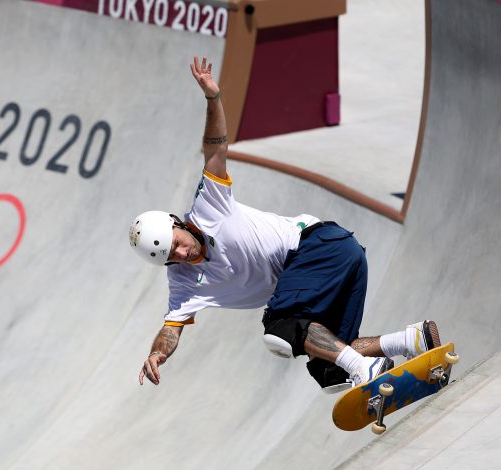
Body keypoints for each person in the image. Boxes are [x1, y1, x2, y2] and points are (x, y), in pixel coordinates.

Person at [131, 57, 441, 392]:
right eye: (171, 257)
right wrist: (157, 354)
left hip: (318, 246)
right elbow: (171, 329)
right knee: (331, 368)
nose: (181, 253)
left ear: (177, 223)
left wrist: (213, 98)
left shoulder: (208, 207)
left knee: (280, 327)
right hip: (336, 259)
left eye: (175, 242)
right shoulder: (183, 283)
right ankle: (411, 339)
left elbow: (215, 147)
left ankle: (367, 369)